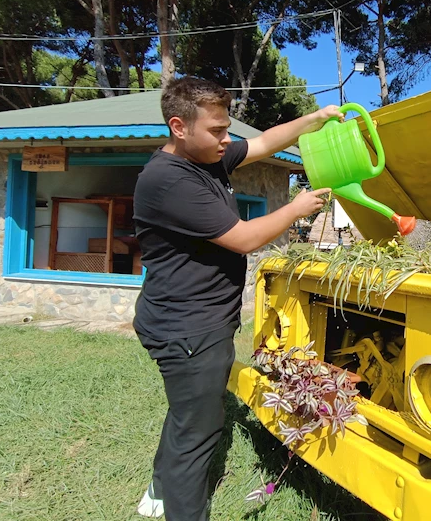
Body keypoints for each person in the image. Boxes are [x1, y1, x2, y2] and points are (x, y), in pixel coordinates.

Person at [132, 77, 341, 521]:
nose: (227, 140)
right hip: (187, 327)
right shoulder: (169, 180)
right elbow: (244, 238)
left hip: (199, 320)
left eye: (227, 129)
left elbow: (264, 142)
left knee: (189, 410)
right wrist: (296, 208)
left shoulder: (204, 154)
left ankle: (158, 489)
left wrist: (315, 118)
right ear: (178, 126)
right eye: (217, 131)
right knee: (201, 430)